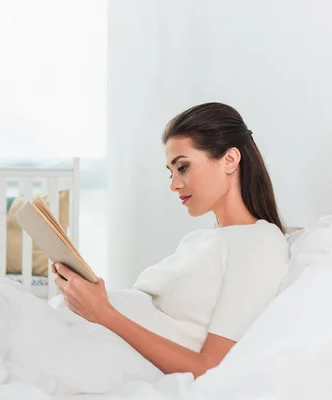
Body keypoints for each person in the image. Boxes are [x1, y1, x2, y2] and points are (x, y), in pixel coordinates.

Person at [52, 102, 290, 379]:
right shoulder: (199, 240)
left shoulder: (260, 242)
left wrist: (103, 313)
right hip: (80, 340)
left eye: (183, 168)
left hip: (96, 355)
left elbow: (212, 368)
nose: (173, 184)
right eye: (171, 171)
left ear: (229, 160)